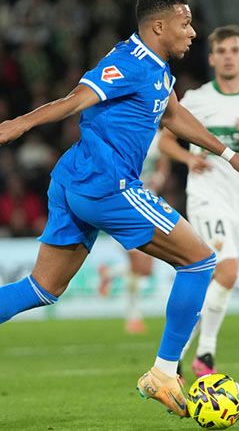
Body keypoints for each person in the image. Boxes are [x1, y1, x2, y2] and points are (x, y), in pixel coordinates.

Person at [0, 0, 239, 418]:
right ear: (159, 26)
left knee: (42, 288)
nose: (192, 32)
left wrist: (228, 155)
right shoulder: (127, 62)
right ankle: (165, 372)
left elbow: (172, 116)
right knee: (201, 262)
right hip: (107, 184)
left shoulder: (158, 70)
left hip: (75, 179)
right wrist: (22, 123)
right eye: (185, 24)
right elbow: (76, 100)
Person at [158, 24, 239, 378]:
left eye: (235, 50)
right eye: (222, 51)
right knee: (228, 270)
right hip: (206, 196)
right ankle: (204, 355)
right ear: (212, 58)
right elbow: (165, 140)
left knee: (220, 279)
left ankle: (180, 355)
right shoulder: (197, 98)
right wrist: (188, 160)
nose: (229, 56)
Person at [97, 130, 171, 334]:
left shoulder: (156, 137)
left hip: (150, 205)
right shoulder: (123, 135)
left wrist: (160, 177)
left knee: (146, 269)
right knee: (138, 264)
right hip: (126, 206)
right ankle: (133, 317)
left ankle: (110, 273)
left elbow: (163, 160)